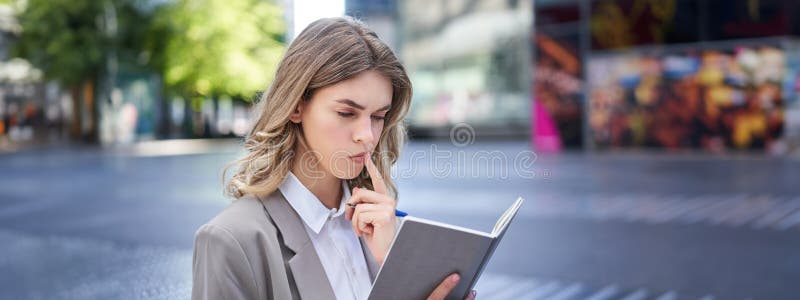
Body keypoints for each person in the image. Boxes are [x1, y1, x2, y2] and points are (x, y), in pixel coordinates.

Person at [191, 17, 478, 300]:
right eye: (346, 113)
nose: (367, 135)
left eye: (378, 117)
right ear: (296, 106)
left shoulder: (390, 231)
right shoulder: (230, 241)